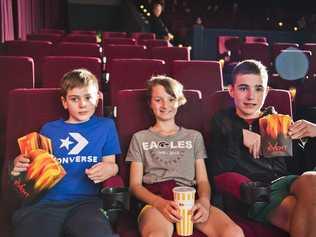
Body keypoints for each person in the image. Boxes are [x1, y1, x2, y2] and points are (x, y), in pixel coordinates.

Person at [208, 59, 316, 237]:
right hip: (257, 192)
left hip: (289, 182)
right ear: (231, 90)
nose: (251, 96)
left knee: (311, 179)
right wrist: (239, 135)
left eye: (258, 89)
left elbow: (301, 166)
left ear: (266, 91)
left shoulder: (279, 121)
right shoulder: (222, 122)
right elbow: (218, 168)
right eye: (244, 88)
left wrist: (313, 134)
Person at [126, 75, 244, 237]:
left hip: (191, 200)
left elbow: (202, 180)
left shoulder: (194, 137)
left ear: (179, 101)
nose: (165, 105)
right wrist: (159, 203)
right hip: (156, 201)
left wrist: (203, 202)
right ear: (150, 103)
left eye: (171, 99)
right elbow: (135, 186)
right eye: (158, 100)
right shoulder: (139, 138)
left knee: (234, 232)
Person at [10, 69, 121, 237]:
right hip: (46, 202)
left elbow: (111, 164)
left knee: (97, 232)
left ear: (97, 99)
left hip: (87, 203)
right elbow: (36, 166)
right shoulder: (49, 128)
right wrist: (20, 164)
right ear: (64, 102)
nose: (82, 104)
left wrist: (110, 169)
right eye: (74, 99)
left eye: (88, 97)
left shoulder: (106, 126)